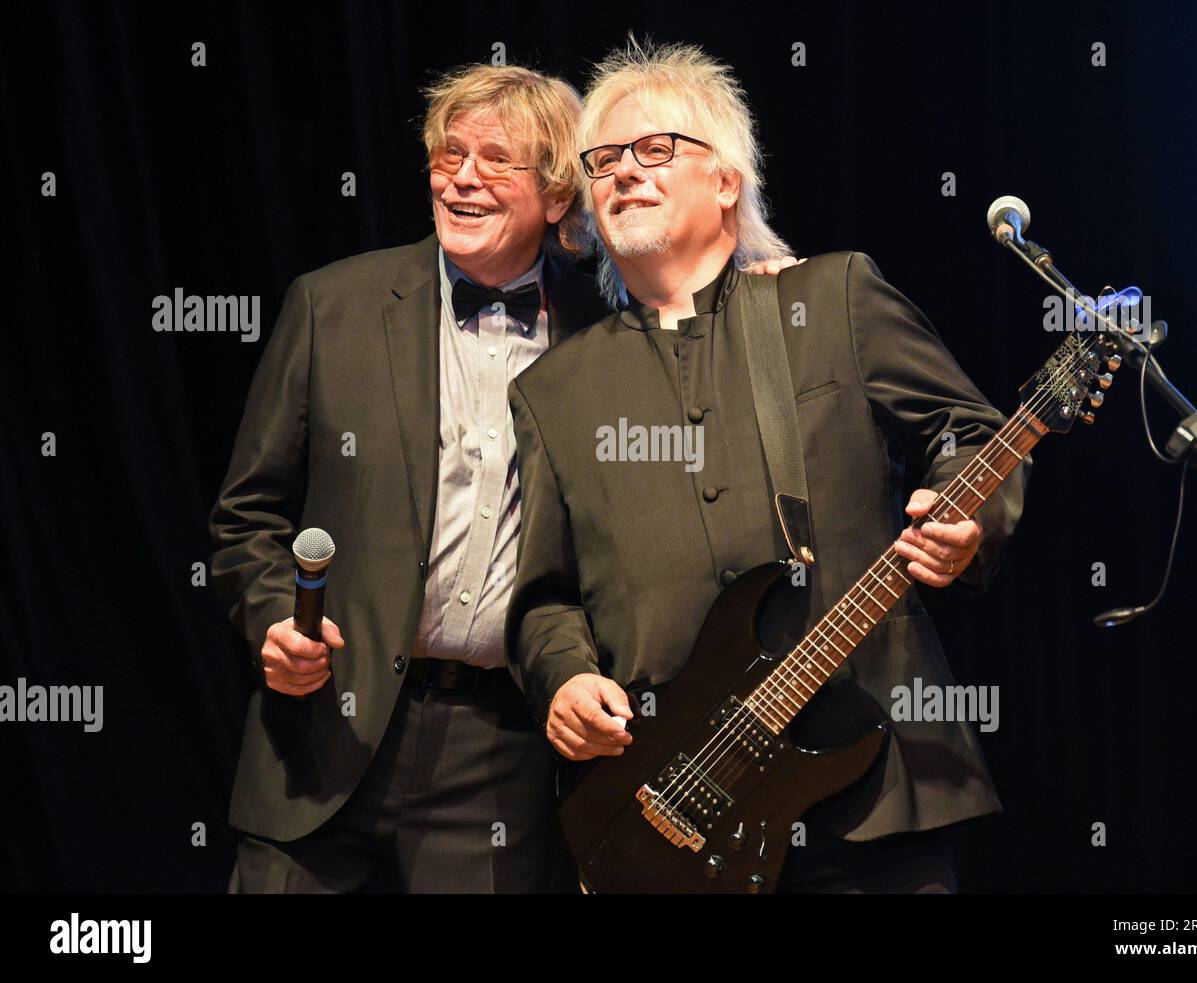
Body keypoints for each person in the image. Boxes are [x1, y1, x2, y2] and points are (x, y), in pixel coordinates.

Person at [209, 61, 792, 894]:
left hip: (499, 754)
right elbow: (246, 518)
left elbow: (710, 331)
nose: (462, 179)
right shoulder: (332, 307)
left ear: (557, 195)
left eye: (495, 160)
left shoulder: (610, 334)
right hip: (324, 730)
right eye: (449, 155)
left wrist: (763, 292)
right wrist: (274, 617)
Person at [505, 39, 1030, 893]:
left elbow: (969, 429)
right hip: (679, 816)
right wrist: (563, 678)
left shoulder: (831, 297)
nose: (622, 172)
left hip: (871, 788)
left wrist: (970, 518)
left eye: (654, 149)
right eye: (603, 160)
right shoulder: (552, 391)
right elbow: (545, 596)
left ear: (726, 181)